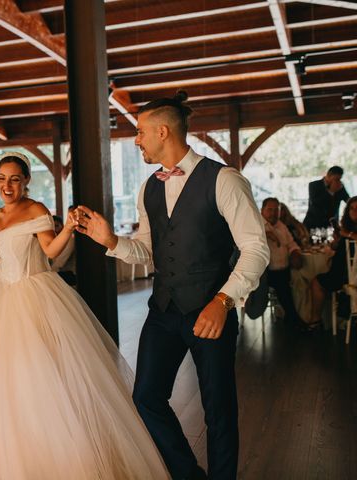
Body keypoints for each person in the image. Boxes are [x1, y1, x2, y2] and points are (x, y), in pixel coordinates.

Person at [0, 152, 169, 480]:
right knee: (6, 381)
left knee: (45, 376)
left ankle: (65, 452)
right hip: (3, 295)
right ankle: (19, 455)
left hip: (34, 294)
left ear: (25, 181)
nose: (7, 185)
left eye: (14, 179)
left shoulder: (36, 209)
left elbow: (51, 253)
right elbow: (2, 260)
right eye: (1, 178)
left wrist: (68, 227)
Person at [75, 91, 269, 480]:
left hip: (211, 308)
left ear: (162, 131)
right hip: (163, 310)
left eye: (140, 131)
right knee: (146, 398)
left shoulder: (224, 179)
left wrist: (223, 300)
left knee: (218, 409)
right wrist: (111, 241)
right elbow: (147, 250)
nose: (136, 140)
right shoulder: (149, 187)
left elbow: (256, 249)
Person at [310, 196, 357, 328]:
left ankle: (316, 320)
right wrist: (337, 241)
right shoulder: (348, 228)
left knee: (316, 282)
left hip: (348, 276)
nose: (354, 212)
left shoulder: (349, 231)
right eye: (351, 208)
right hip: (344, 272)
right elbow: (340, 248)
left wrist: (346, 234)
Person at [261, 198, 304, 328]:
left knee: (302, 277)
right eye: (270, 210)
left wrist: (295, 252)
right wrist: (265, 233)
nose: (273, 213)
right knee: (282, 283)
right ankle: (294, 318)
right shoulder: (256, 224)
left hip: (285, 268)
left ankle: (305, 315)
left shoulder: (281, 225)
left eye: (276, 210)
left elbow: (292, 244)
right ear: (262, 210)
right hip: (266, 273)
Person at [303, 166, 350, 230]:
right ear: (329, 175)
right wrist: (331, 191)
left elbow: (348, 201)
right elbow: (315, 202)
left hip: (331, 224)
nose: (338, 181)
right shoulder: (314, 185)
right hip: (313, 223)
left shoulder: (340, 187)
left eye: (339, 179)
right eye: (336, 179)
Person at [51, 212, 76, 286]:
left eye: (57, 226)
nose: (55, 229)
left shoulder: (70, 239)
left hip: (69, 274)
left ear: (62, 226)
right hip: (58, 272)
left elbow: (60, 262)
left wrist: (48, 274)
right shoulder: (54, 240)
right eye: (52, 227)